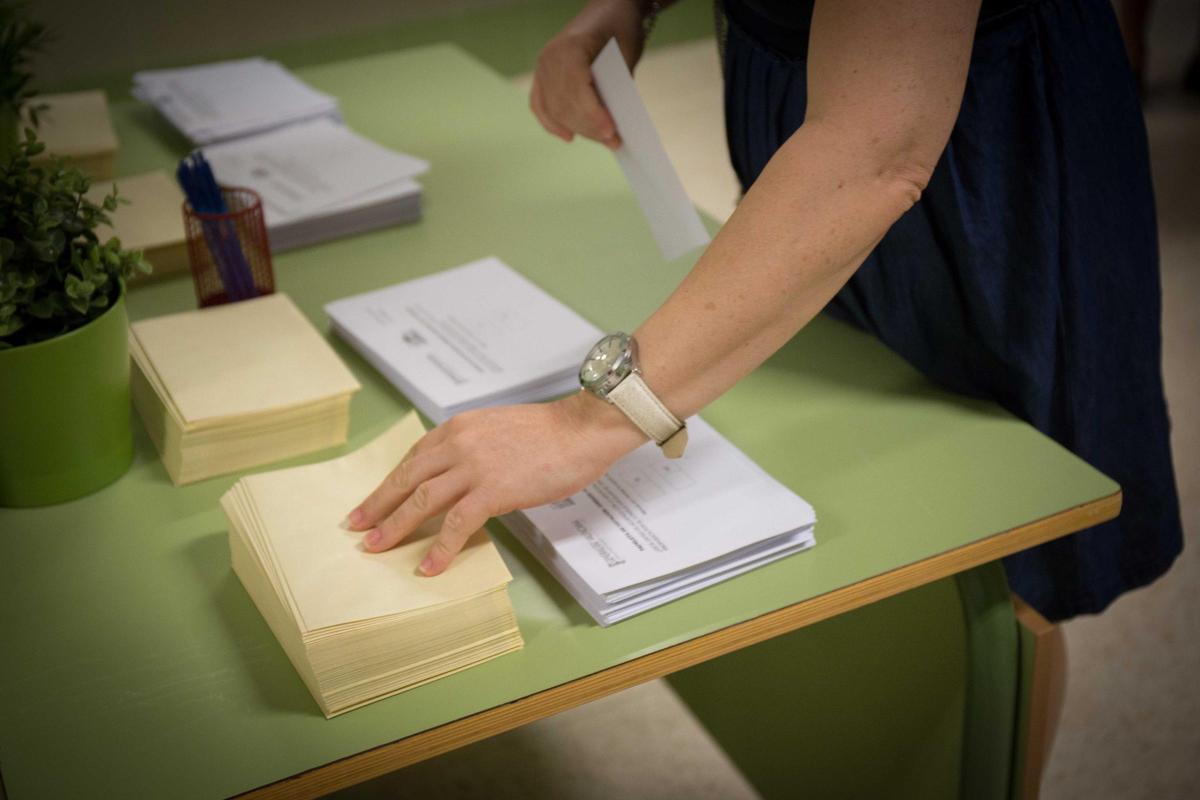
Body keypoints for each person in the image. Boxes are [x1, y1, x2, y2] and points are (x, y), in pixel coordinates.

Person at [347, 0, 1183, 623]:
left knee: (997, 555)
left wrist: (582, 426)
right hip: (812, 129)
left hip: (983, 165)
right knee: (831, 465)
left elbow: (875, 153)